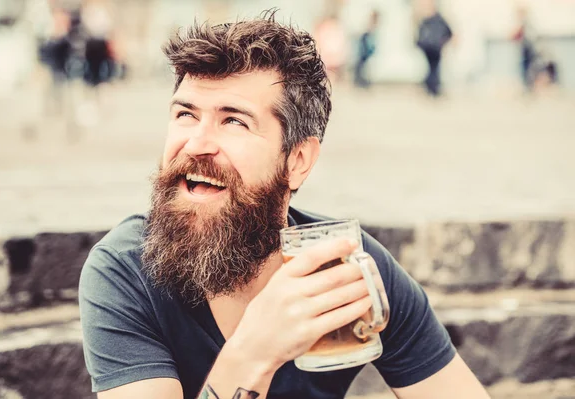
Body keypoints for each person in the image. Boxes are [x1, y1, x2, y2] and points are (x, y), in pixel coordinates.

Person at [79, 11, 491, 399]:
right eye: (186, 114)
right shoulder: (125, 270)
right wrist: (254, 352)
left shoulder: (344, 273)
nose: (197, 143)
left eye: (234, 121)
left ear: (297, 161)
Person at [416, 1, 453, 97]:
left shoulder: (438, 20)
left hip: (436, 48)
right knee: (432, 69)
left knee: (434, 69)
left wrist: (443, 42)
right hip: (428, 48)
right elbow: (421, 34)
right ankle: (432, 88)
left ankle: (433, 88)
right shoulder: (427, 20)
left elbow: (449, 32)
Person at [354, 11, 379, 89]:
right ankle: (362, 83)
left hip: (367, 52)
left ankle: (364, 84)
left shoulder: (372, 30)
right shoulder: (369, 30)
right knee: (363, 69)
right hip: (365, 53)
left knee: (365, 69)